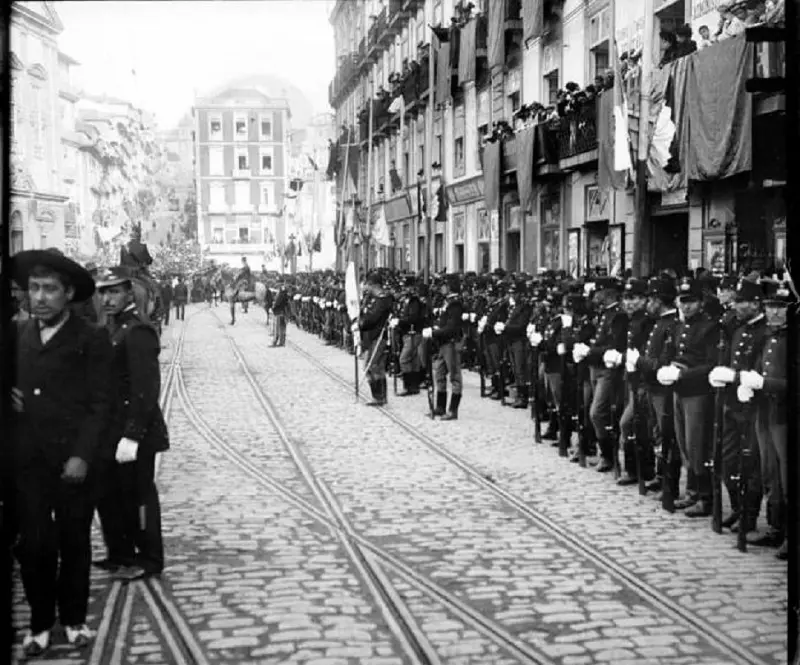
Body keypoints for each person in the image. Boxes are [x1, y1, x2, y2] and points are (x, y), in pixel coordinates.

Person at [10, 249, 113, 656]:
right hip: (29, 461)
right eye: (33, 288)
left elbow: (101, 404)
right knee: (34, 543)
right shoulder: (18, 336)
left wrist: (83, 456)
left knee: (74, 541)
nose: (39, 297)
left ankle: (73, 619)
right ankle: (38, 623)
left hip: (73, 461)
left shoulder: (90, 339)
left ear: (68, 293)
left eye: (49, 289)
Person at [93, 266, 169, 582]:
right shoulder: (109, 328)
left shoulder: (137, 331)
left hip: (134, 431)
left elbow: (145, 387)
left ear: (128, 293)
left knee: (138, 495)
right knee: (110, 494)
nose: (107, 298)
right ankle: (120, 553)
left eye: (114, 291)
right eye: (103, 292)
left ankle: (149, 558)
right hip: (110, 428)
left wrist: (133, 435)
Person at [423, 274, 464, 420]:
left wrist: (434, 332)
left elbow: (452, 327)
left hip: (451, 343)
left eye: (444, 285)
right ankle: (440, 407)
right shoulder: (447, 302)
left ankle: (453, 410)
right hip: (443, 343)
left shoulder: (455, 304)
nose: (441, 288)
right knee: (439, 374)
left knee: (454, 376)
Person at [356, 271, 393, 406]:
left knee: (371, 365)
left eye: (369, 285)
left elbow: (373, 318)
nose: (367, 287)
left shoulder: (383, 300)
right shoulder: (373, 299)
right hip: (370, 336)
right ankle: (381, 396)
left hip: (378, 336)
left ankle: (378, 396)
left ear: (375, 285)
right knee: (377, 366)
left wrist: (361, 323)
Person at [271, 278, 289, 347]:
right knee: (282, 327)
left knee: (278, 327)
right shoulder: (283, 290)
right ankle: (282, 342)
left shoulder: (282, 290)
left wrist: (274, 306)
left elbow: (278, 301)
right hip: (283, 310)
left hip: (280, 310)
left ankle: (276, 341)